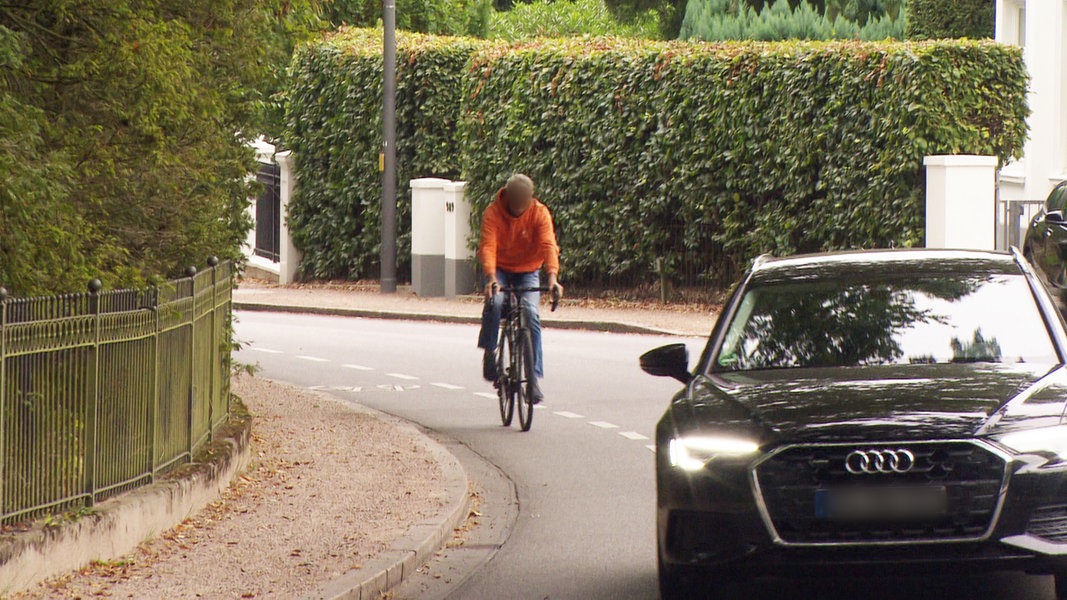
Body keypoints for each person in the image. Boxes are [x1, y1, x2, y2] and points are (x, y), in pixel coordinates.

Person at [477, 173, 563, 403]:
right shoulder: (493, 213)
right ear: (507, 196)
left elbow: (548, 245)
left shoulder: (539, 213)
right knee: (494, 302)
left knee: (531, 314)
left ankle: (533, 379)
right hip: (501, 269)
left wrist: (553, 278)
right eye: (516, 200)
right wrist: (492, 278)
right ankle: (490, 351)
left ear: (530, 199)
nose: (519, 206)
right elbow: (488, 247)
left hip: (528, 270)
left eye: (524, 201)